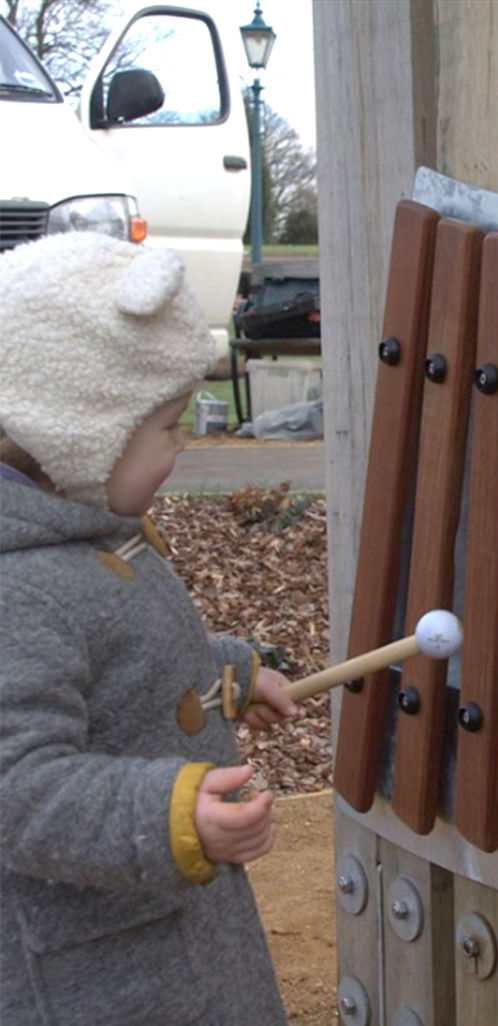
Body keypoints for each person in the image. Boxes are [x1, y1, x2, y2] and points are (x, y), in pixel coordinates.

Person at [0, 232, 297, 1025]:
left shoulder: (80, 525)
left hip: (157, 935)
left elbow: (119, 661)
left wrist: (225, 674)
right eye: (166, 424)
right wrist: (170, 814)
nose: (183, 443)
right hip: (94, 976)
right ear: (77, 431)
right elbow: (14, 784)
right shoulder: (17, 584)